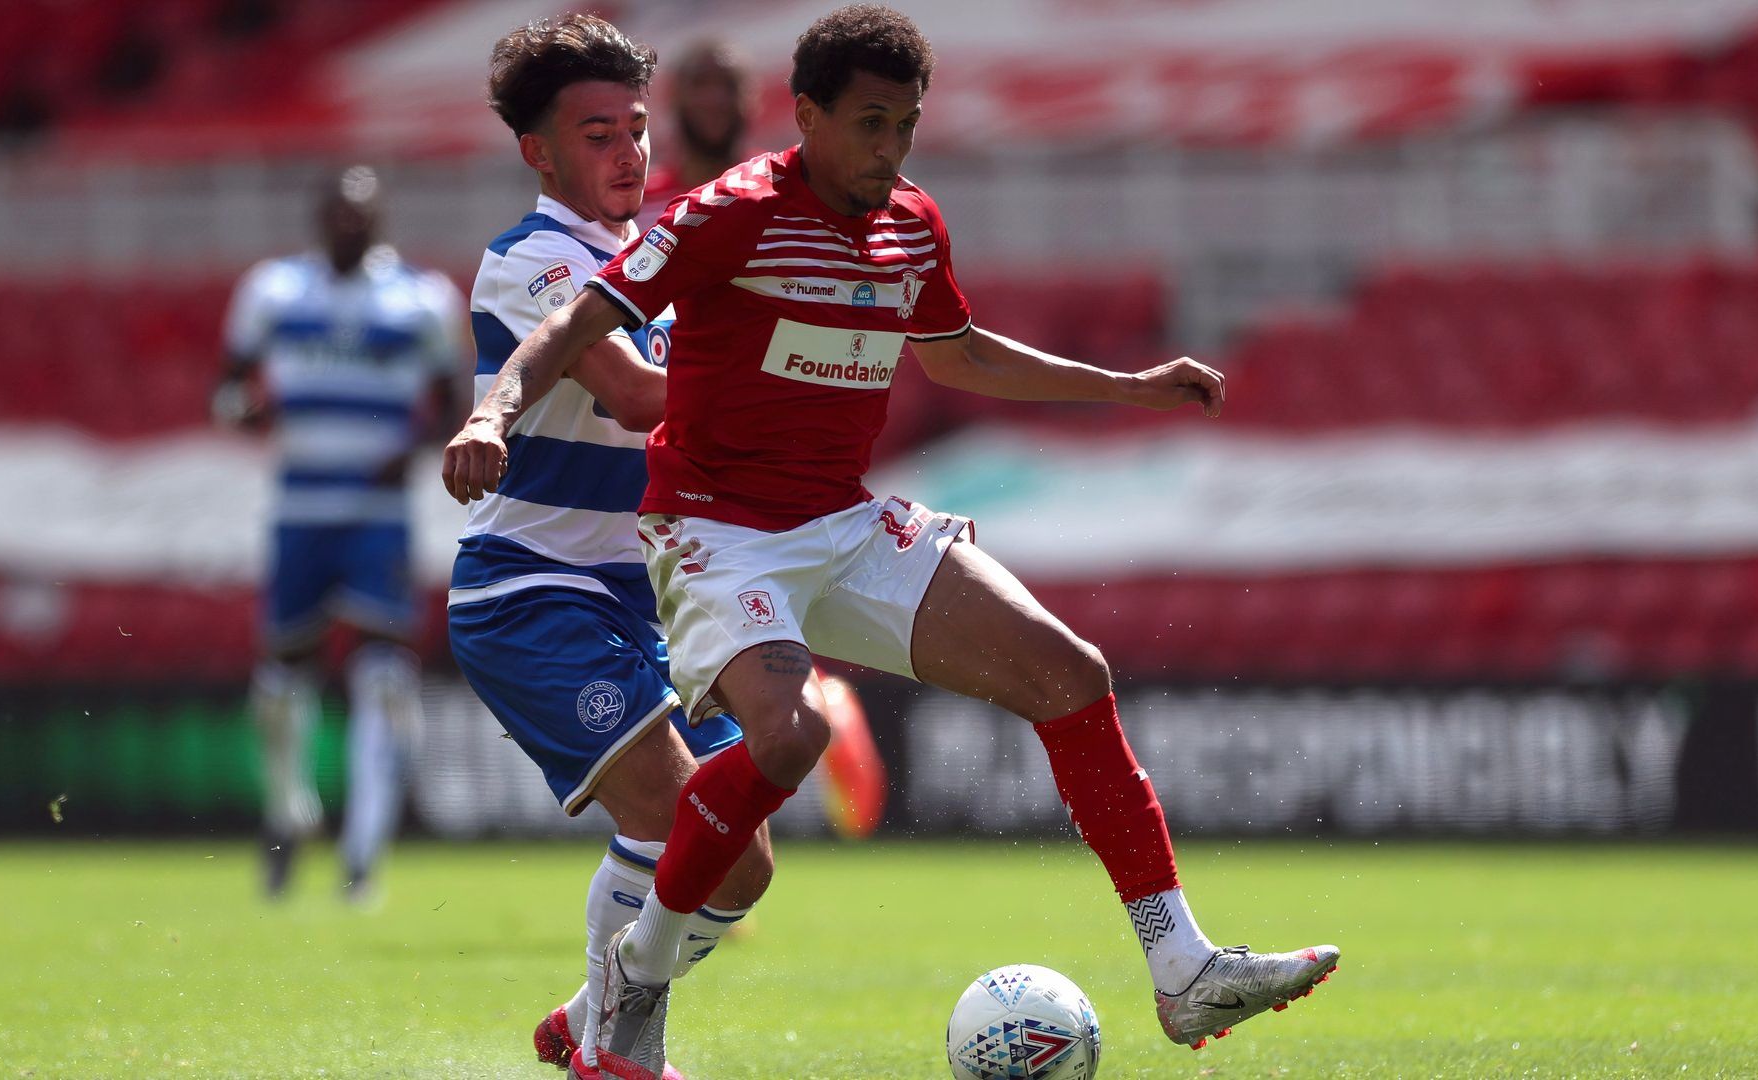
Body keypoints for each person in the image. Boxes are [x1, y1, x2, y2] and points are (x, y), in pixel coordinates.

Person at [446, 6, 1341, 1075]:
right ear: (811, 116)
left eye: (906, 125)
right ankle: (623, 1011)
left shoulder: (901, 220)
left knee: (1067, 673)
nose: (890, 148)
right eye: (869, 123)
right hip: (655, 551)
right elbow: (605, 359)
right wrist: (493, 413)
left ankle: (1183, 967)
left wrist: (1125, 387)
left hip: (823, 522)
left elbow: (957, 354)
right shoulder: (685, 226)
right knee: (763, 759)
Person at [443, 17, 778, 1077]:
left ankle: (592, 1010)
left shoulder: (664, 251)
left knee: (740, 868)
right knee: (680, 820)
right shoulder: (532, 261)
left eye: (635, 127)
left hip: (646, 602)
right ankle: (618, 1054)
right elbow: (635, 395)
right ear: (539, 152)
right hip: (534, 593)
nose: (628, 151)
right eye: (597, 133)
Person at [215, 166, 464, 901]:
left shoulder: (421, 298)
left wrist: (415, 450)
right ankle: (288, 813)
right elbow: (226, 387)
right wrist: (243, 411)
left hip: (376, 518)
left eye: (361, 212)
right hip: (299, 512)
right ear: (318, 218)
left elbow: (453, 407)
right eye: (337, 212)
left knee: (385, 678)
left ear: (379, 217)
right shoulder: (272, 291)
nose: (349, 224)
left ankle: (362, 855)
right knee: (280, 680)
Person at [638, 39, 757, 223]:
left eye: (728, 85)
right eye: (699, 84)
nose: (715, 99)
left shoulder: (783, 186)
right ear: (673, 97)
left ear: (751, 98)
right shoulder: (639, 203)